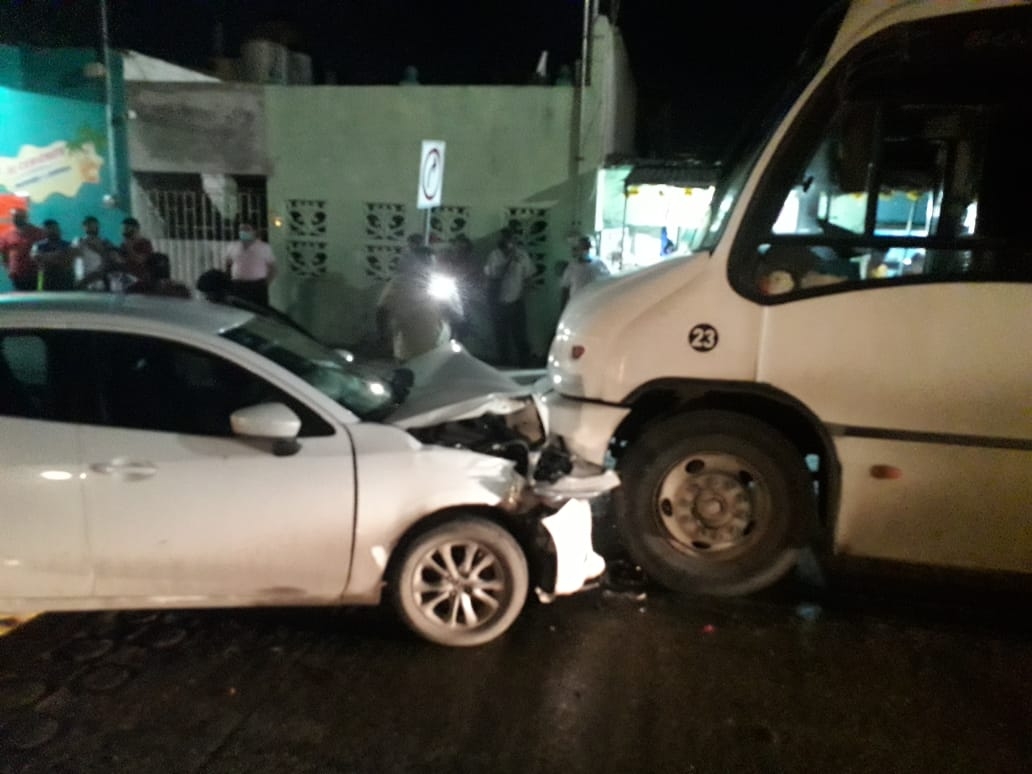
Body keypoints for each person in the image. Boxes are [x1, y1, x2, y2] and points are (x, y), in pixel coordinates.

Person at [377, 246, 460, 361]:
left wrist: (447, 308)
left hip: (438, 349)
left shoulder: (442, 284)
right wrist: (384, 338)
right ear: (413, 264)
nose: (428, 268)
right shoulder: (399, 284)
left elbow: (457, 316)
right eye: (425, 263)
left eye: (431, 264)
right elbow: (382, 311)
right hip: (408, 350)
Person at [484, 228, 535, 366]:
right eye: (504, 239)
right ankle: (504, 362)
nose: (507, 242)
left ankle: (524, 362)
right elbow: (492, 275)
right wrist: (509, 260)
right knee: (501, 334)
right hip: (498, 301)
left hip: (516, 300)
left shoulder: (522, 256)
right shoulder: (494, 255)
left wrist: (524, 296)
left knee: (520, 334)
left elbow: (529, 277)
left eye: (510, 239)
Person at [223, 222, 276, 306]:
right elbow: (228, 264)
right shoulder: (233, 246)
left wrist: (264, 284)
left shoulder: (264, 247)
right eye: (241, 229)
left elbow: (273, 269)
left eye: (247, 229)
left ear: (254, 231)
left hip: (257, 286)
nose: (243, 232)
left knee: (259, 311)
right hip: (237, 285)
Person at [0, 208, 46, 291]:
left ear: (25, 217)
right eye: (13, 216)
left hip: (34, 273)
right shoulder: (6, 235)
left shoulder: (38, 232)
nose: (15, 219)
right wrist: (10, 269)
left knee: (34, 299)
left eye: (18, 216)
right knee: (20, 299)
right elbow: (4, 255)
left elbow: (45, 249)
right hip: (17, 275)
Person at [560, 236, 609, 309]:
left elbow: (607, 282)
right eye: (582, 248)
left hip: (595, 305)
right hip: (576, 306)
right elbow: (564, 289)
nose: (585, 250)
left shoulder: (599, 264)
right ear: (577, 250)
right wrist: (563, 309)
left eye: (587, 248)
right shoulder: (572, 267)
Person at [72, 216, 117, 288]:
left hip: (100, 278)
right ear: (84, 227)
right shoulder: (79, 241)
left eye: (93, 225)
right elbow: (74, 259)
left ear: (97, 226)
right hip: (83, 279)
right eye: (88, 225)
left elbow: (112, 258)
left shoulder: (105, 242)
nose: (91, 227)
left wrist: (99, 249)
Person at [31, 219, 76, 290]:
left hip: (65, 280)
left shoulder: (68, 245)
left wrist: (46, 257)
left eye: (55, 228)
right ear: (45, 231)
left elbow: (68, 260)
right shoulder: (38, 246)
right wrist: (59, 255)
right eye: (50, 229)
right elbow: (36, 257)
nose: (54, 231)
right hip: (47, 280)